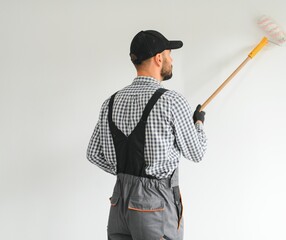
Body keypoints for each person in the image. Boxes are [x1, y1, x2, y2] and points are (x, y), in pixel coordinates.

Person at [86, 30, 207, 240]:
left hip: (119, 206)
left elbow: (93, 153)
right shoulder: (171, 102)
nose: (171, 60)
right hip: (154, 208)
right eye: (169, 54)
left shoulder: (110, 103)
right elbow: (196, 153)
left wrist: (124, 173)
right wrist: (198, 122)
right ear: (159, 58)